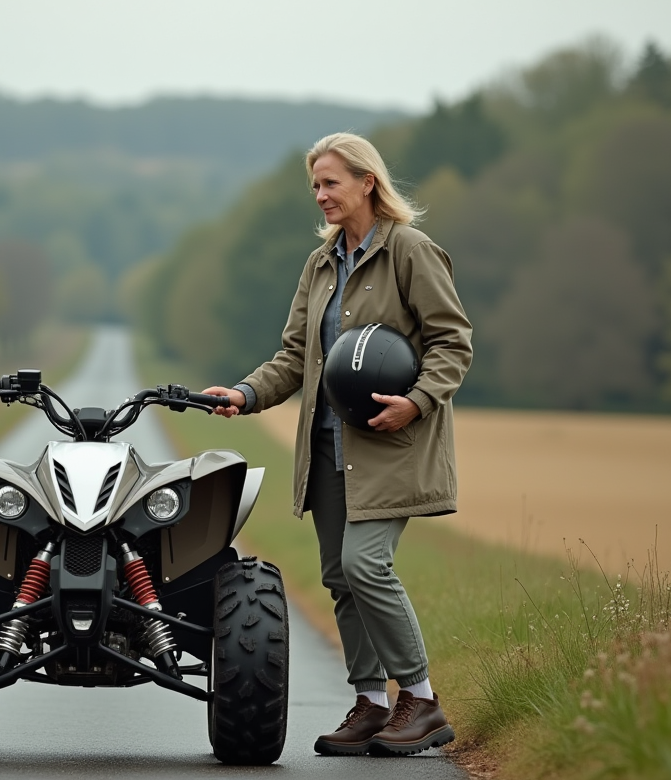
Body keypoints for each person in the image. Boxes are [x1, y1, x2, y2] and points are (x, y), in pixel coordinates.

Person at [202, 132, 472, 757]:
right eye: (315, 186)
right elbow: (297, 357)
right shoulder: (321, 264)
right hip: (325, 448)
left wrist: (418, 400)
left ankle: (422, 699)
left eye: (330, 184)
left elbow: (452, 343)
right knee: (338, 576)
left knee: (364, 564)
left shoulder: (410, 251)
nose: (320, 196)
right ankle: (372, 705)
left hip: (390, 446)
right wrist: (244, 393)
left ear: (367, 182)